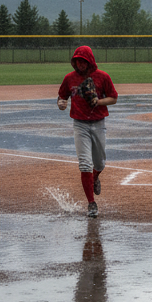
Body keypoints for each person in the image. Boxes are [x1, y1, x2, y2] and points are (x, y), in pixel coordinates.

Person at [57, 45, 118, 217]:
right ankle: (91, 203)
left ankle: (95, 177)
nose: (80, 64)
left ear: (89, 61)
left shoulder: (102, 77)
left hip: (98, 123)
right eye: (77, 61)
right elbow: (62, 96)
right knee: (85, 163)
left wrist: (98, 102)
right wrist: (60, 104)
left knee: (99, 164)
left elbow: (113, 98)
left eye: (83, 61)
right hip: (80, 124)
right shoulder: (69, 78)